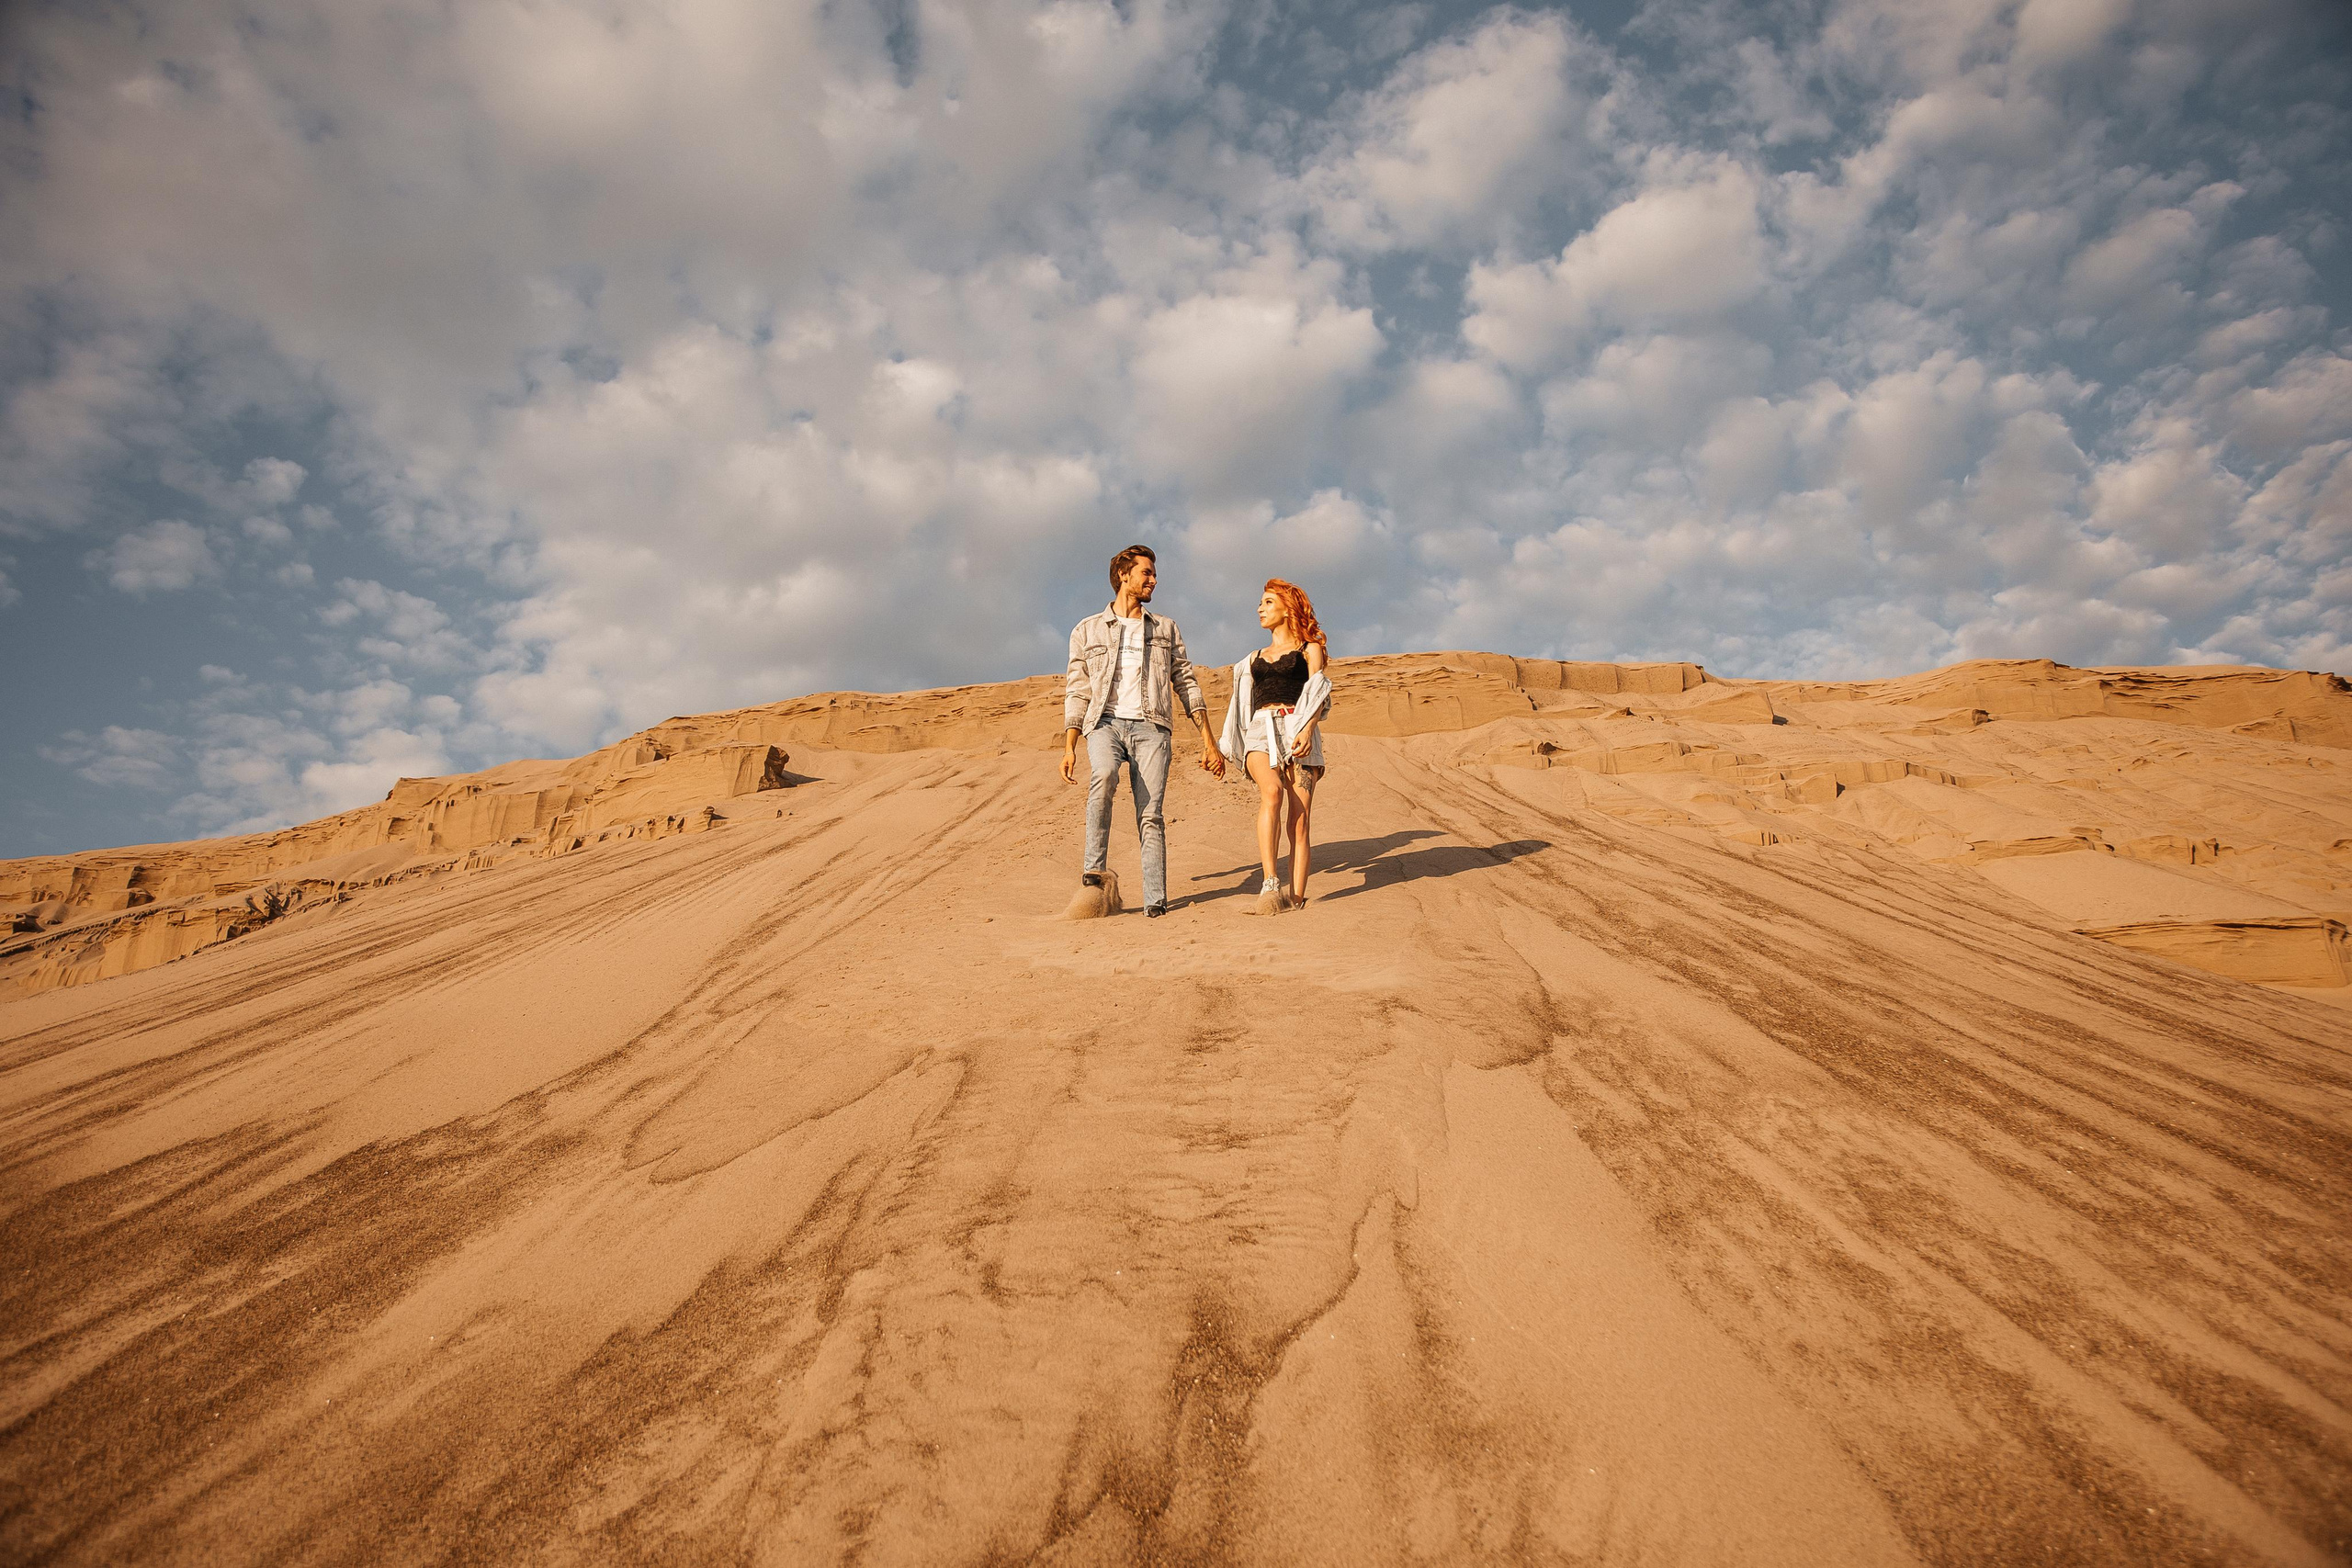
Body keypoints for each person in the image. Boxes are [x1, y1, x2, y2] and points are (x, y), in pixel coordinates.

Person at [1062, 545, 1225, 917]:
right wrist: (1070, 745)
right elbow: (1078, 687)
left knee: (1150, 813)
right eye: (1146, 573)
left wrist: (1208, 740)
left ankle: (1156, 900)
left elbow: (1186, 681)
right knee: (1102, 775)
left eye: (1153, 574)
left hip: (1152, 728)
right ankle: (1093, 872)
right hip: (1104, 723)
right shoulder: (1086, 630)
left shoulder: (1165, 628)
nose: (1153, 579)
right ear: (1124, 575)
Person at [1218, 579, 1332, 914]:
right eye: (1261, 603)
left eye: (1268, 602)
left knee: (1300, 818)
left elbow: (1320, 695)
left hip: (1299, 728)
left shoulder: (1309, 649)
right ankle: (1270, 881)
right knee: (1272, 793)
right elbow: (1239, 706)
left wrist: (1308, 730)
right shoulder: (1251, 659)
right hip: (1259, 729)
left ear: (1287, 607)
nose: (1260, 609)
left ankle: (1296, 897)